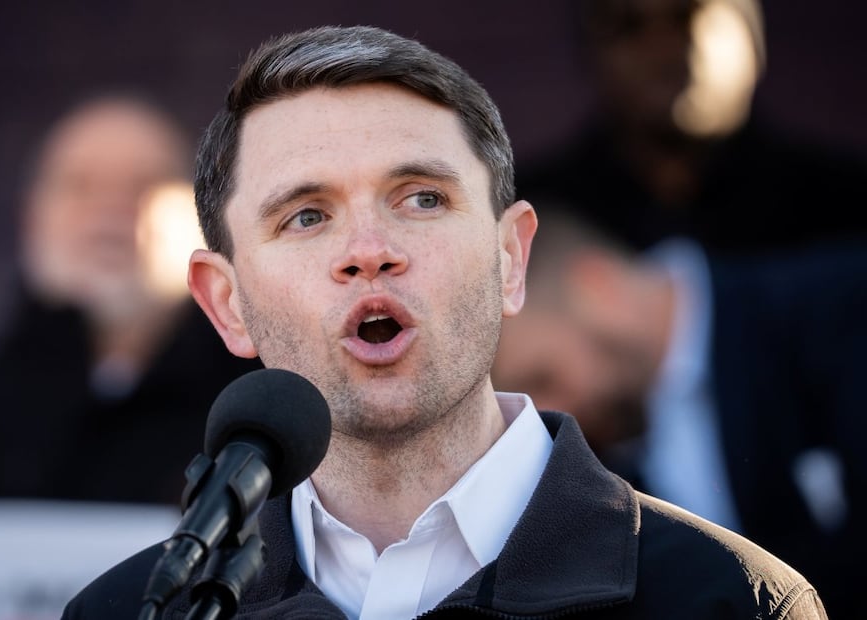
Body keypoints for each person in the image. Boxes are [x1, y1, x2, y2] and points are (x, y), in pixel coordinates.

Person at [62, 25, 827, 619]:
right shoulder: (124, 612)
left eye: (422, 198)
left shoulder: (732, 601)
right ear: (228, 304)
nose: (370, 251)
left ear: (510, 260)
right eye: (306, 215)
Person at [0, 94, 262, 505]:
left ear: (203, 221)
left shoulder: (264, 420)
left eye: (147, 184)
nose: (112, 209)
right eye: (79, 185)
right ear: (32, 218)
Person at [492, 204, 865, 617]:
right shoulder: (600, 468)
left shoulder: (841, 307)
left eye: (544, 377)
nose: (550, 414)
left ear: (597, 289)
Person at [515, 0, 867, 256]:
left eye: (689, 14)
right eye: (628, 25)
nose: (662, 49)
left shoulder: (844, 209)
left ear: (755, 39)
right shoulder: (532, 216)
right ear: (590, 55)